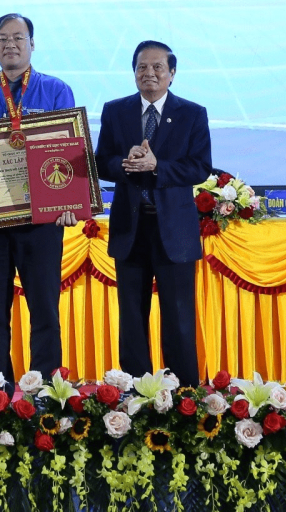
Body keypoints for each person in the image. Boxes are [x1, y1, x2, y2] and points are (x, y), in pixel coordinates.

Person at [0, 13, 77, 382]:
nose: (10, 45)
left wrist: (69, 203)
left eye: (18, 38)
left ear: (32, 44)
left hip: (41, 222)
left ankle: (46, 390)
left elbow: (70, 150)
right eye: (2, 39)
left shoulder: (56, 91)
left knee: (45, 312)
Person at [97, 41, 210, 385]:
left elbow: (199, 167)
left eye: (158, 67)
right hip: (131, 228)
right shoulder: (115, 111)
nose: (150, 73)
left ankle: (184, 393)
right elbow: (101, 162)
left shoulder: (192, 113)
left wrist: (157, 165)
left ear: (172, 74)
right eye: (142, 67)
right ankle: (136, 392)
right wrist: (125, 162)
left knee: (178, 317)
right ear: (134, 72)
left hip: (174, 231)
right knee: (132, 318)